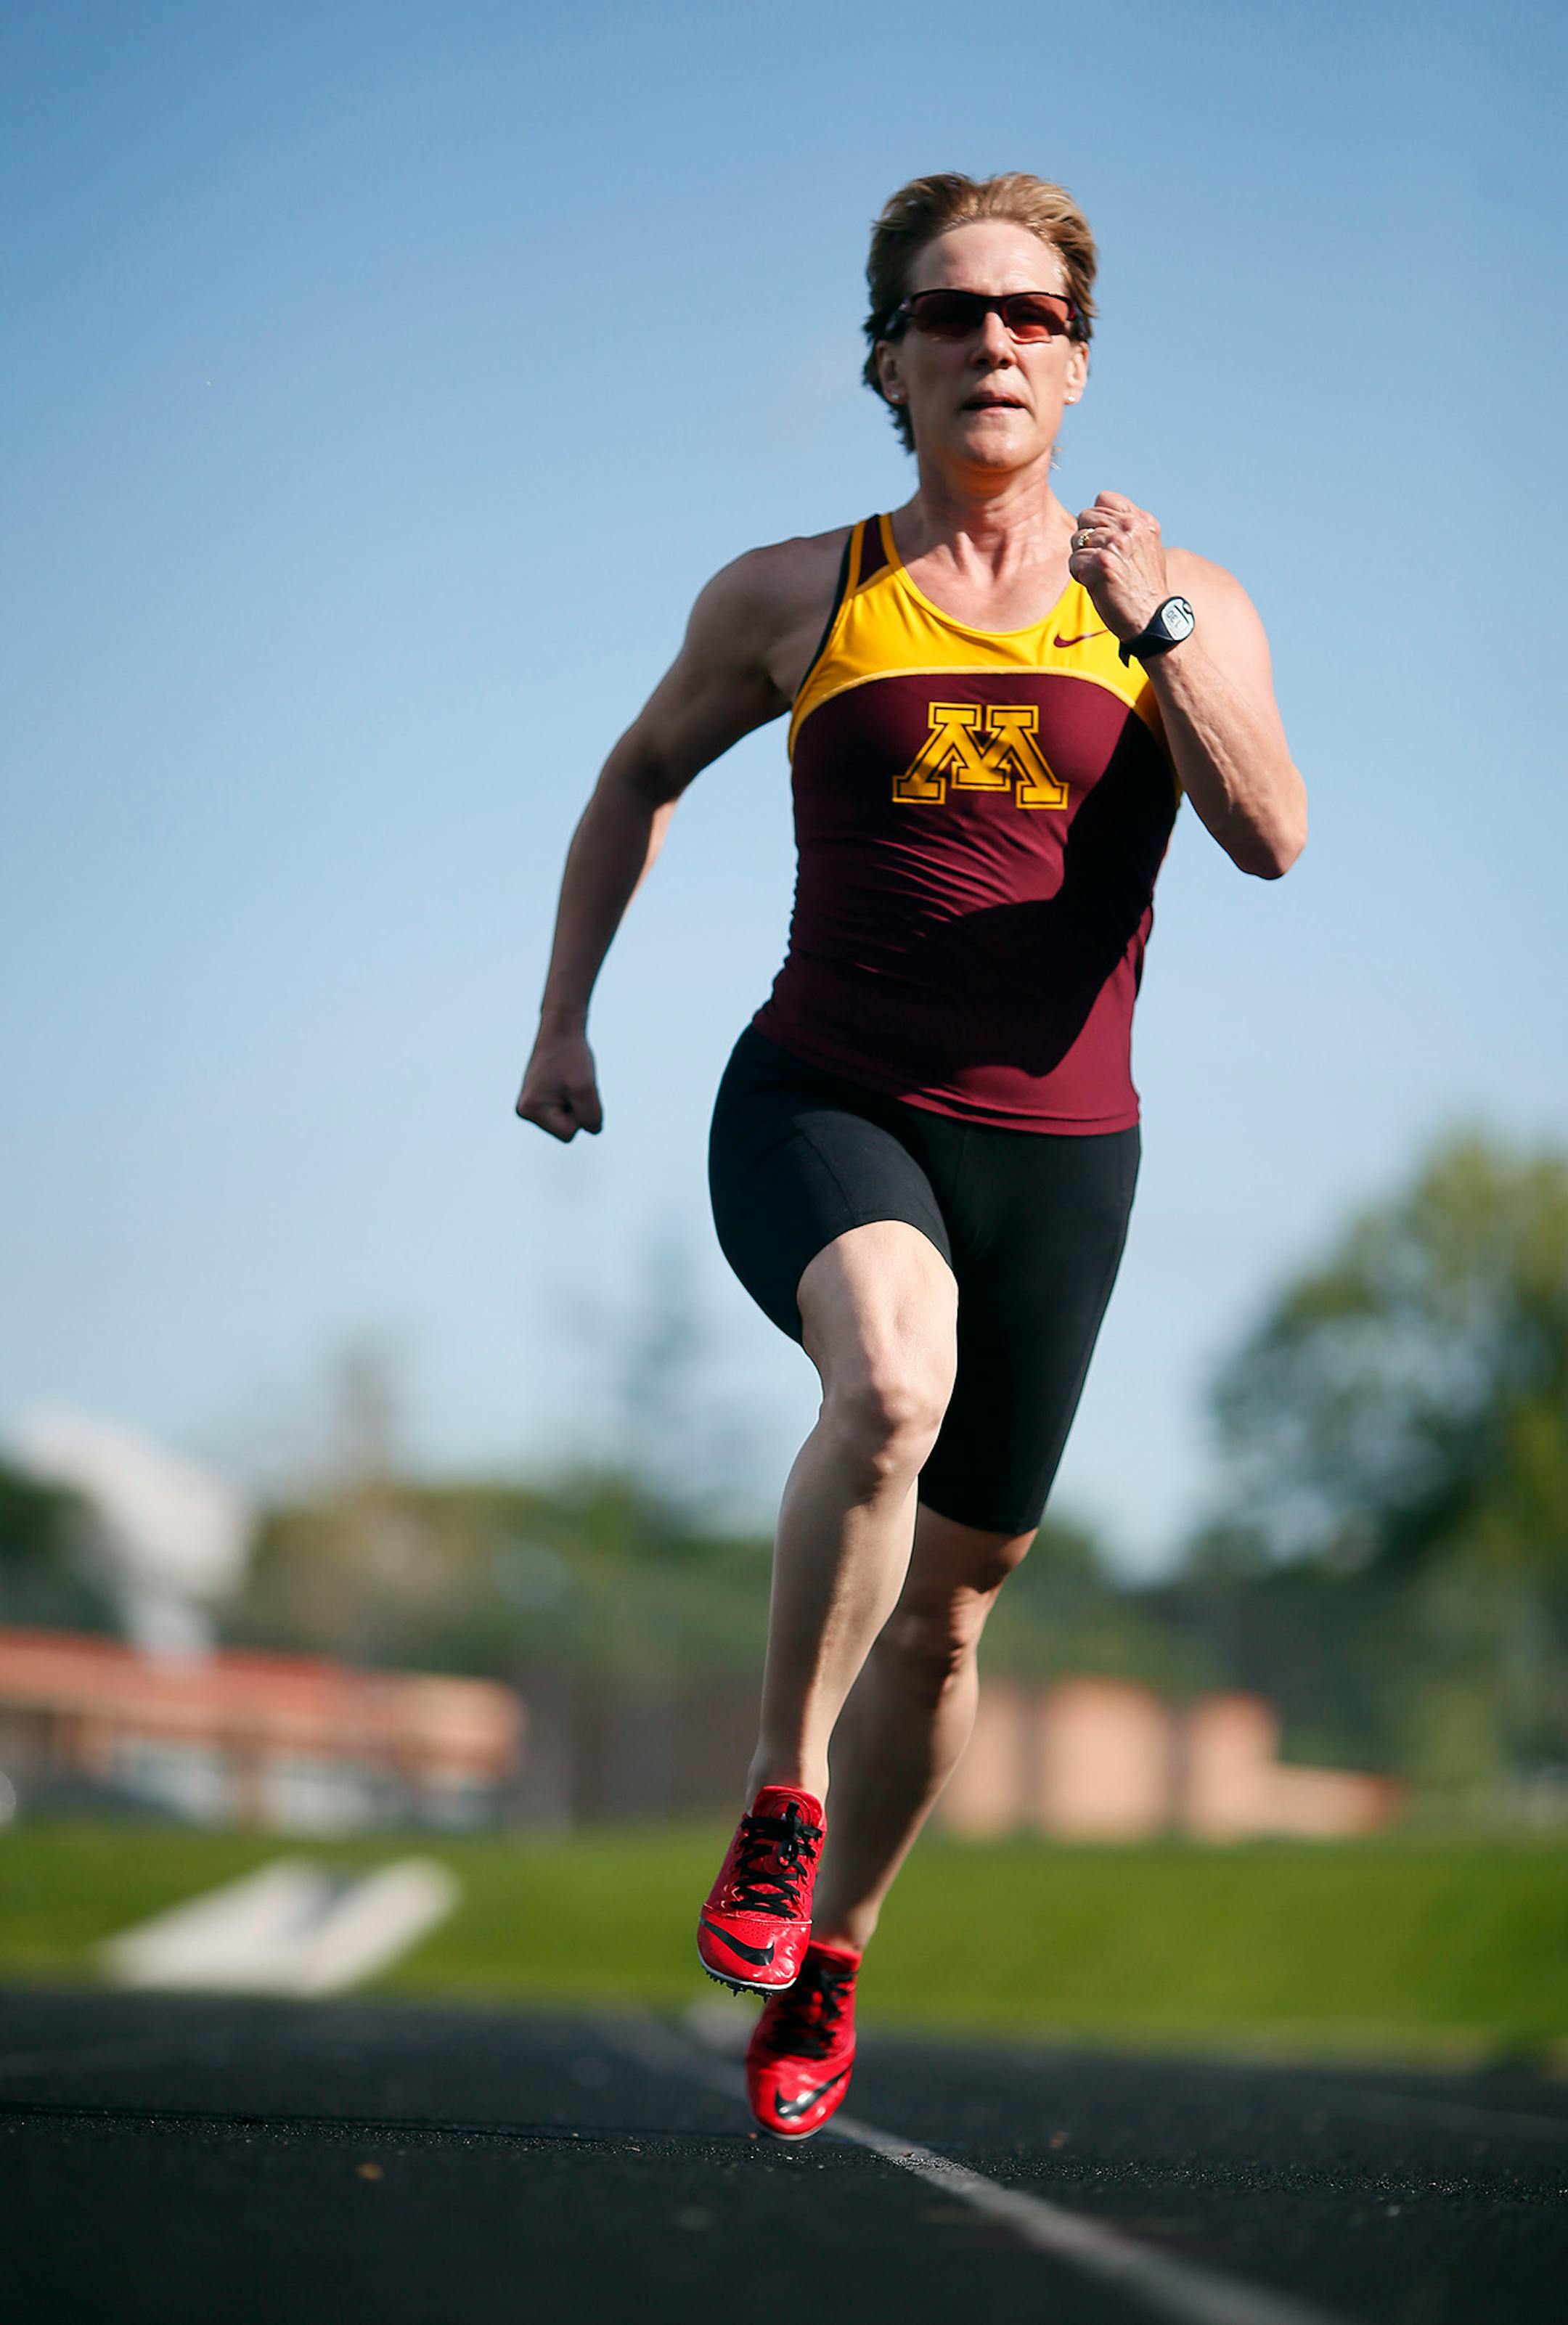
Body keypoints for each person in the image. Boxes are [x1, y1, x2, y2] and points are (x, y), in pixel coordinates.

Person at [515, 171, 1305, 2138]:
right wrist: (562, 1013)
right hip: (825, 1098)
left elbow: (1274, 832)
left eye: (1034, 315)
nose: (995, 344)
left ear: (1081, 357)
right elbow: (635, 773)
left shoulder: (1174, 596)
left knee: (954, 1613)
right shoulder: (794, 592)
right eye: (953, 315)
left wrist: (1164, 624)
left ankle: (842, 1941)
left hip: (1062, 1157)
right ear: (890, 356)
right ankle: (783, 1794)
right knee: (884, 1385)